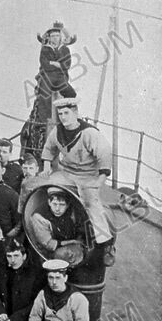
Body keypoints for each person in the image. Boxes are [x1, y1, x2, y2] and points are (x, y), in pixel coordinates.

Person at [41, 97, 115, 264]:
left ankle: (106, 246)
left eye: (66, 113)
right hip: (66, 173)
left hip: (87, 175)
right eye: (60, 114)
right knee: (39, 186)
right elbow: (49, 147)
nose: (63, 117)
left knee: (91, 204)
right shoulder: (58, 131)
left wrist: (100, 180)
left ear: (75, 113)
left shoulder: (89, 133)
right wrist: (46, 167)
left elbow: (104, 154)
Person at [29, 186, 87, 259]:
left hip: (74, 241)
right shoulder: (39, 217)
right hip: (53, 249)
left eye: (62, 205)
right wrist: (70, 242)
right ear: (49, 202)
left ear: (68, 205)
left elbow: (81, 226)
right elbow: (48, 244)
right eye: (54, 204)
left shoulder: (74, 210)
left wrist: (79, 241)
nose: (57, 209)